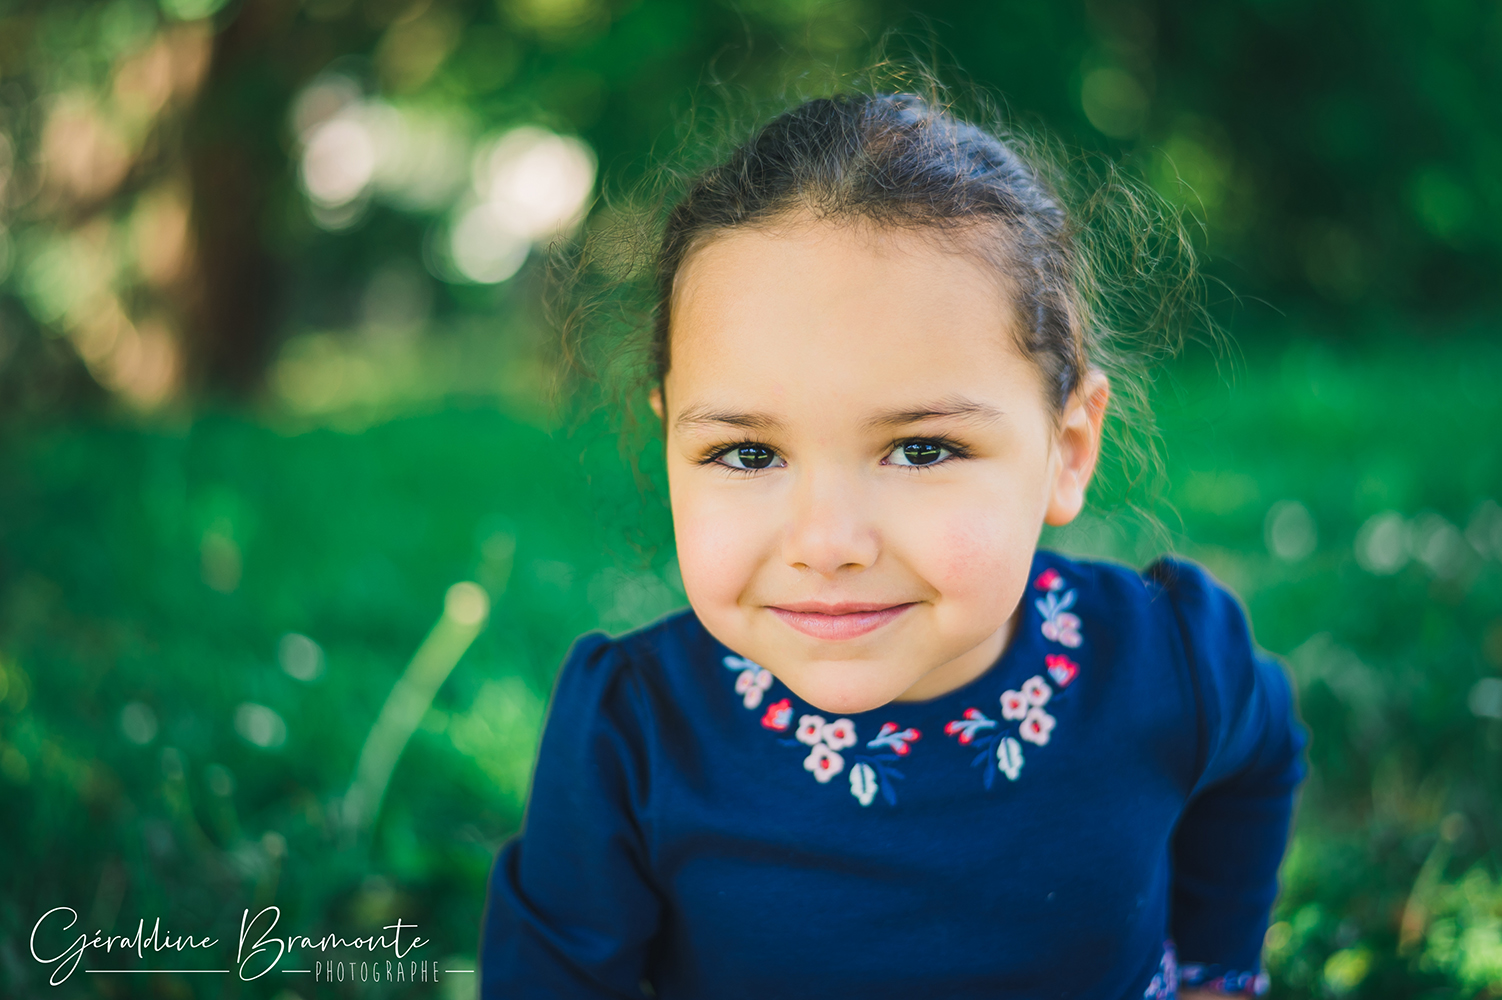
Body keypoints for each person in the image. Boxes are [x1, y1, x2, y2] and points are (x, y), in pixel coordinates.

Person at [479, 91, 1307, 999]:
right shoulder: (632, 736)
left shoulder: (1168, 662)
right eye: (747, 453)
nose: (827, 543)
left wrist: (1215, 970)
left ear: (1067, 451)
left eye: (921, 450)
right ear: (670, 439)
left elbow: (1260, 758)